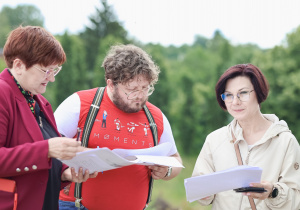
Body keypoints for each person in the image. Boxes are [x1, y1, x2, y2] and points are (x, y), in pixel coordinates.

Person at [54, 44, 183, 210]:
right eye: (132, 89)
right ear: (111, 84)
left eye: (145, 88)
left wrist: (166, 170)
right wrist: (70, 165)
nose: (140, 96)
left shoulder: (156, 117)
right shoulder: (80, 103)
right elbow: (46, 146)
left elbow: (176, 160)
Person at [0, 26, 97, 210]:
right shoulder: (2, 93)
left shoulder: (41, 102)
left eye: (55, 70)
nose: (51, 78)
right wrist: (47, 149)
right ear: (19, 65)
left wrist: (65, 174)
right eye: (46, 70)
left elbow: (41, 167)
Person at [192, 63, 300, 209]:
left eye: (243, 93)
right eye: (229, 95)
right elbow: (200, 190)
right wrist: (202, 193)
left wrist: (273, 192)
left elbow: (296, 199)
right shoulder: (214, 140)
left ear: (259, 93)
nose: (235, 102)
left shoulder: (286, 141)